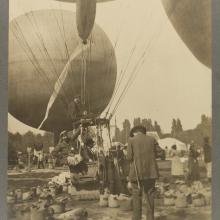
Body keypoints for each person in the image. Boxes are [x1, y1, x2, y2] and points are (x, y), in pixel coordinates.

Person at [127, 126, 159, 220]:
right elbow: (159, 153)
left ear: (135, 132)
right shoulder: (152, 139)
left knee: (137, 198)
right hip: (151, 173)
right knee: (150, 197)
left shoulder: (131, 140)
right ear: (144, 132)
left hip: (136, 174)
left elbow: (129, 158)